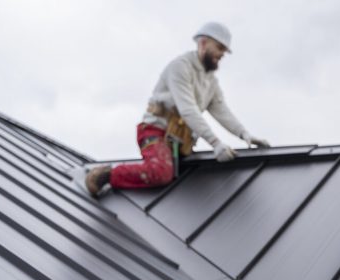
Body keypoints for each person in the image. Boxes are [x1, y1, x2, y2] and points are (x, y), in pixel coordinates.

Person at [85, 22, 269, 196]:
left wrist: (245, 135)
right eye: (220, 48)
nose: (222, 54)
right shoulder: (180, 67)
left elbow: (221, 110)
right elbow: (188, 109)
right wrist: (215, 143)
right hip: (155, 133)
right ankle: (106, 175)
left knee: (195, 173)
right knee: (160, 172)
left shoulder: (210, 81)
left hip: (180, 142)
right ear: (203, 43)